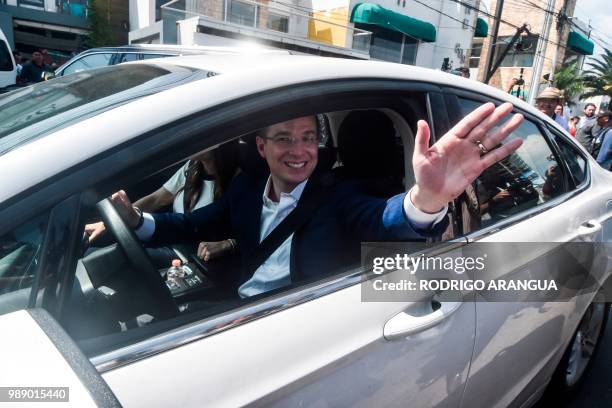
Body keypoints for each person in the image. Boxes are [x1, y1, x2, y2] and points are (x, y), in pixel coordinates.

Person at [108, 103, 524, 299]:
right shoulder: (247, 190)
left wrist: (426, 199)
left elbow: (384, 220)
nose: (299, 150)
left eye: (308, 138)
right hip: (241, 306)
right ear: (261, 147)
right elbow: (194, 225)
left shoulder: (339, 195)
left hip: (300, 326)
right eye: (285, 138)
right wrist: (138, 221)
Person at [86, 143, 240, 261]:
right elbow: (156, 199)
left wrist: (229, 244)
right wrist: (110, 222)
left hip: (191, 258)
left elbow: (247, 231)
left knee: (113, 260)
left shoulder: (237, 180)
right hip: (168, 241)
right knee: (98, 255)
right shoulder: (192, 167)